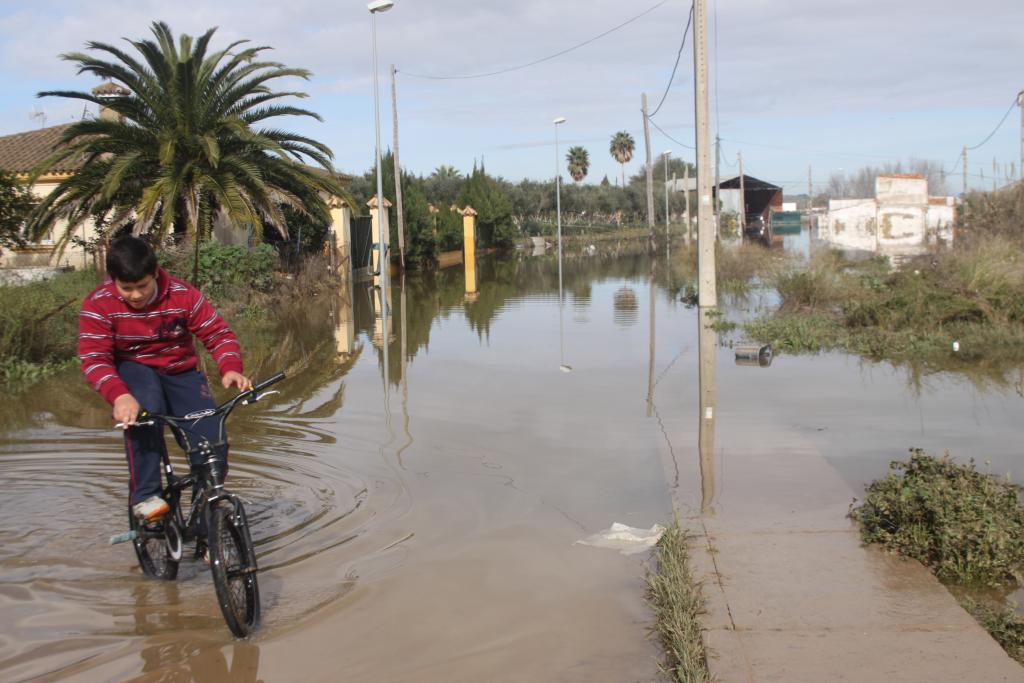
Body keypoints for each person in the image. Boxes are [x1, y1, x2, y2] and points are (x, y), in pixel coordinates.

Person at [79, 235, 251, 523]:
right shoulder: (99, 304)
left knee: (212, 436)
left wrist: (230, 367)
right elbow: (94, 358)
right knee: (144, 413)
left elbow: (218, 333)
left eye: (142, 286)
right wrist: (119, 396)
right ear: (113, 281)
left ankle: (207, 509)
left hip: (180, 371)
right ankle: (146, 497)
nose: (135, 295)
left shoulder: (182, 295)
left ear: (155, 273)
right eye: (126, 288)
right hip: (134, 370)